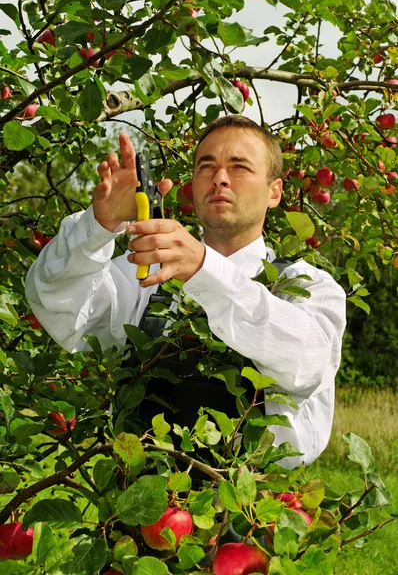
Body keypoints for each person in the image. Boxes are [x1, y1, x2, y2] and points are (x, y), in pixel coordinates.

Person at [25, 115, 346, 469]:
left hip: (255, 512)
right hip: (137, 506)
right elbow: (56, 305)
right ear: (192, 183)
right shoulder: (143, 274)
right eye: (206, 166)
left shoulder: (306, 286)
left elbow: (308, 364)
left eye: (239, 167)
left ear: (274, 192)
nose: (220, 178)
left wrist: (203, 268)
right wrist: (98, 228)